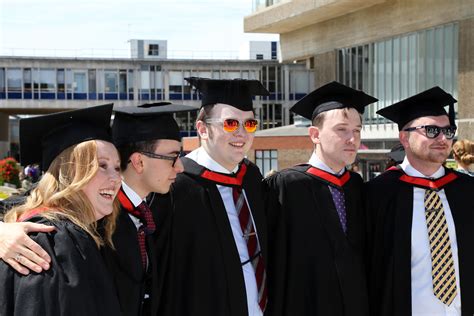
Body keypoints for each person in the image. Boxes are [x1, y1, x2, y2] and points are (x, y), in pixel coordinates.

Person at [151, 77, 269, 316]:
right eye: (230, 123)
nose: (241, 133)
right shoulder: (175, 185)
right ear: (202, 129)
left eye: (249, 124)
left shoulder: (252, 178)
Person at [264, 81, 377, 316]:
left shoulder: (356, 186)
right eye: (342, 129)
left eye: (357, 130)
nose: (352, 139)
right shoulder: (285, 186)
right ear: (315, 134)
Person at [0, 104, 122, 315]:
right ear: (70, 172)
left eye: (118, 168)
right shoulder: (54, 239)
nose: (116, 178)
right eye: (102, 165)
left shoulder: (73, 229)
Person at [366, 87, 474, 315]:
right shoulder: (377, 194)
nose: (443, 138)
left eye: (448, 130)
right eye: (432, 130)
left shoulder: (467, 190)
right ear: (404, 137)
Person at [101, 102, 193, 316]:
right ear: (139, 162)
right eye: (172, 157)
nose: (180, 167)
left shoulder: (147, 211)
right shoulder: (97, 217)